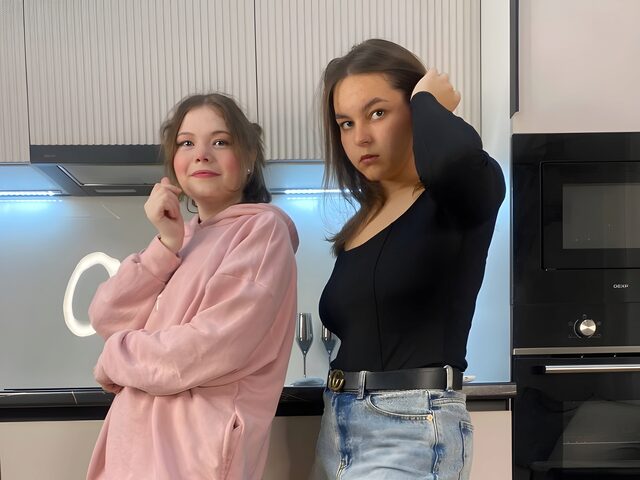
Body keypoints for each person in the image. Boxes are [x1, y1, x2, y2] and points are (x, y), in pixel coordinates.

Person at [311, 39, 505, 479]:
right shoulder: (364, 219)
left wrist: (428, 100)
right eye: (346, 123)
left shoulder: (459, 195)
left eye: (378, 113)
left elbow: (452, 160)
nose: (360, 137)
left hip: (413, 428)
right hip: (337, 426)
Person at [86, 93, 299, 480]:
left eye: (220, 141)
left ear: (249, 157)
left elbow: (206, 347)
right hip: (131, 454)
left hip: (190, 458)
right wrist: (165, 245)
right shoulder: (181, 239)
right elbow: (107, 317)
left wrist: (114, 358)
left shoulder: (261, 231)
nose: (201, 154)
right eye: (187, 143)